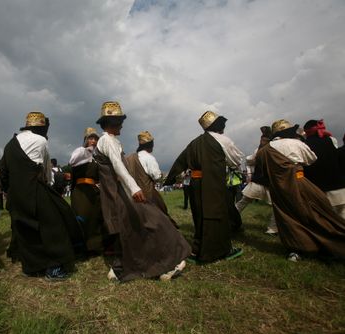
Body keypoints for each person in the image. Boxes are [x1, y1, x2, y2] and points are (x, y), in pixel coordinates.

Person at [94, 101, 190, 282]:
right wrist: (135, 188)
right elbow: (119, 168)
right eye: (119, 121)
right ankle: (167, 262)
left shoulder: (107, 141)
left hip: (113, 193)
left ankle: (118, 268)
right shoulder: (108, 140)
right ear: (111, 123)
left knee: (128, 229)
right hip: (121, 192)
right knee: (156, 221)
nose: (122, 124)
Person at [0, 112, 83, 280]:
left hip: (16, 192)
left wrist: (11, 191)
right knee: (53, 224)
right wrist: (48, 187)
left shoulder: (10, 144)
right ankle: (54, 268)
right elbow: (45, 169)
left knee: (26, 228)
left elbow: (3, 171)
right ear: (42, 128)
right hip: (35, 187)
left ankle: (31, 267)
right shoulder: (41, 140)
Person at [253, 119, 345, 261]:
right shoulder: (296, 144)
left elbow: (257, 165)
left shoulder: (264, 151)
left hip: (278, 189)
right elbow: (311, 159)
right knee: (316, 213)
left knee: (288, 217)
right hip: (299, 183)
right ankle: (330, 243)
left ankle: (296, 249)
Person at [164, 111, 243, 264]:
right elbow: (236, 160)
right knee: (217, 215)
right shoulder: (223, 140)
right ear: (218, 126)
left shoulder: (194, 143)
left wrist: (170, 180)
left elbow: (180, 161)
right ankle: (218, 251)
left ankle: (197, 249)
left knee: (199, 214)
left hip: (195, 183)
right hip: (213, 182)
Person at [235, 126, 277, 235]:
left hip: (268, 182)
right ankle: (230, 221)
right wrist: (249, 174)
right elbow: (249, 161)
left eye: (264, 140)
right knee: (243, 202)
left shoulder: (272, 149)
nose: (262, 142)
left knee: (276, 206)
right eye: (262, 140)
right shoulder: (259, 150)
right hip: (259, 181)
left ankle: (272, 229)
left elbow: (250, 161)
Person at [69, 127, 105, 253]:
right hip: (81, 191)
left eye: (95, 138)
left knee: (95, 218)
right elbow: (72, 161)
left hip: (94, 190)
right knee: (82, 218)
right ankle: (80, 247)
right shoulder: (80, 151)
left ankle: (95, 246)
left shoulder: (97, 157)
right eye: (91, 138)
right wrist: (87, 150)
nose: (93, 141)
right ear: (86, 140)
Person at [302, 120, 345, 220]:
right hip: (340, 188)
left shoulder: (305, 145)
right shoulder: (331, 140)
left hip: (319, 192)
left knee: (326, 223)